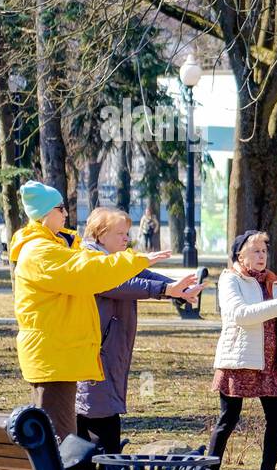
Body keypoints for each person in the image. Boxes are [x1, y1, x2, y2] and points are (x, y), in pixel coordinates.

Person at [9, 181, 171, 445]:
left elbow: (90, 264)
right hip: (53, 358)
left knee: (60, 436)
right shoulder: (41, 251)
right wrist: (137, 260)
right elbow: (89, 272)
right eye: (61, 208)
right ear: (46, 213)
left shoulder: (56, 247)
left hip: (58, 355)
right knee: (59, 440)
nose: (65, 214)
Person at [75, 207, 202, 457]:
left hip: (109, 355)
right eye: (120, 233)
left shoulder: (116, 260)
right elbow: (121, 283)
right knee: (96, 419)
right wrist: (166, 290)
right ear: (101, 235)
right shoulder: (91, 261)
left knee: (105, 416)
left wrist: (176, 288)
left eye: (127, 233)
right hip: (94, 355)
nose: (126, 238)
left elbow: (140, 274)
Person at [207, 230, 277, 470]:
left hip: (270, 360)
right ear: (240, 255)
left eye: (264, 251)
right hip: (239, 358)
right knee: (229, 417)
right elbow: (240, 315)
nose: (261, 255)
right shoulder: (230, 279)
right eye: (255, 251)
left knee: (276, 418)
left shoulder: (273, 282)